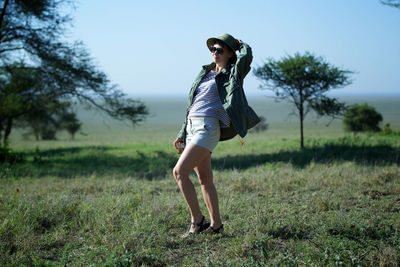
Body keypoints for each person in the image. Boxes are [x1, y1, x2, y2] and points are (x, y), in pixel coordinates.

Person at [173, 33, 260, 238]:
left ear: (230, 53)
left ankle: (197, 221)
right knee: (204, 179)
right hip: (192, 128)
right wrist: (182, 133)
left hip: (207, 128)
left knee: (179, 172)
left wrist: (241, 45)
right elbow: (192, 104)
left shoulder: (232, 74)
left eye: (220, 49)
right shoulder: (205, 73)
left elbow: (246, 58)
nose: (215, 52)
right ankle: (217, 225)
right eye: (213, 49)